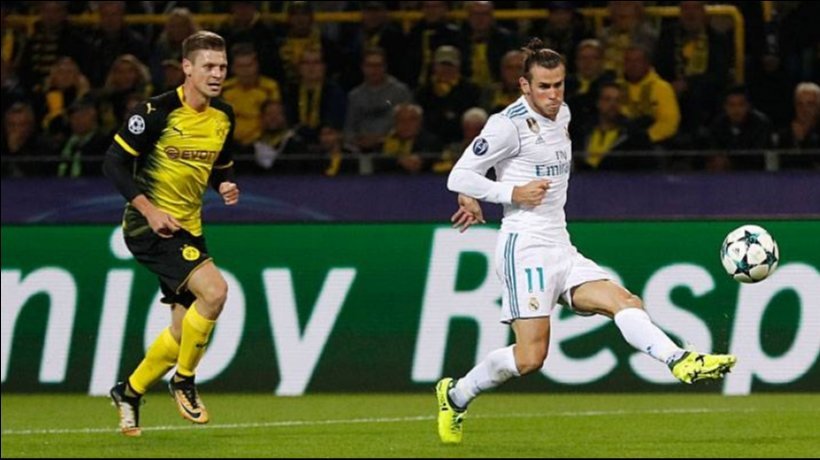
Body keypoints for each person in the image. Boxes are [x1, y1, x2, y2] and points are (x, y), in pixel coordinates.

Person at [437, 38, 737, 445]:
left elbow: (476, 180)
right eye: (544, 86)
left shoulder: (563, 115)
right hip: (524, 249)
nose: (553, 94)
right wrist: (507, 194)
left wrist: (478, 192)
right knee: (530, 358)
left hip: (561, 245)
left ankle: (680, 360)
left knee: (626, 303)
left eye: (559, 84)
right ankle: (455, 395)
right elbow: (460, 175)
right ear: (524, 85)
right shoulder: (506, 124)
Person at [102, 30, 238, 437]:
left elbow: (220, 164)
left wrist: (224, 185)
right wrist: (149, 208)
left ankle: (129, 391)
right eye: (209, 66)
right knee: (214, 293)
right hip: (148, 226)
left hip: (188, 229)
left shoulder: (223, 116)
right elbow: (112, 164)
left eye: (223, 67)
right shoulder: (155, 112)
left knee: (183, 331)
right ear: (187, 68)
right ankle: (184, 381)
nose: (217, 74)